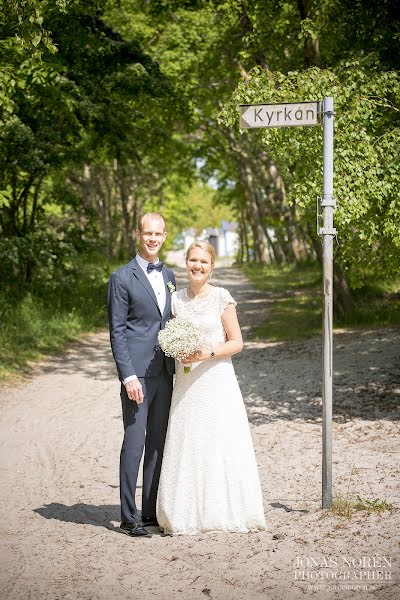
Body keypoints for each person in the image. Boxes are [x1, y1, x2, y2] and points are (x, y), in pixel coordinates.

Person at [156, 240, 266, 534]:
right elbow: (169, 337)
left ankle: (224, 511)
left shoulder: (221, 297)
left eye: (204, 262)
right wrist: (175, 349)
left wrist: (208, 353)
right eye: (193, 260)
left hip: (217, 380)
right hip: (187, 382)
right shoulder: (176, 300)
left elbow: (237, 342)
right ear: (186, 263)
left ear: (212, 267)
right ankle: (186, 514)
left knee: (220, 441)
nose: (197, 266)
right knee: (189, 441)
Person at [108, 212, 176, 538]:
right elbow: (117, 332)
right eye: (147, 233)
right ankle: (128, 515)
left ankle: (149, 512)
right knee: (134, 444)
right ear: (138, 234)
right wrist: (127, 376)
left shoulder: (170, 275)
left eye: (158, 233)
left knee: (158, 444)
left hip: (165, 373)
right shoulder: (121, 278)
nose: (152, 238)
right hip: (137, 377)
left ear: (164, 235)